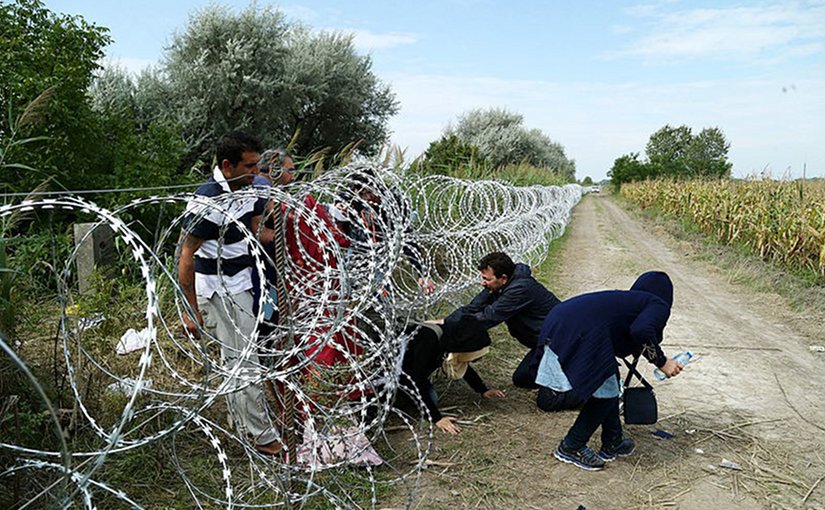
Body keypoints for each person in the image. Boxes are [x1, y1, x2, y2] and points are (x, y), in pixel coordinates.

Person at [178, 131, 281, 456]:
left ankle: (244, 424)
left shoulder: (247, 189)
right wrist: (191, 310)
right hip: (218, 291)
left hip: (244, 283)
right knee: (244, 362)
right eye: (250, 166)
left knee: (241, 360)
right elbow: (186, 255)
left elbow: (255, 230)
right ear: (227, 165)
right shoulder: (207, 200)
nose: (256, 173)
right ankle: (262, 437)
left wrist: (294, 222)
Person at [533, 271, 685, 471]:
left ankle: (613, 441)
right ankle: (571, 446)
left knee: (609, 381)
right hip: (579, 331)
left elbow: (625, 339)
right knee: (605, 392)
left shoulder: (631, 302)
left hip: (561, 321)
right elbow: (641, 331)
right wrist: (662, 362)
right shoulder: (658, 304)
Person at [441, 252, 580, 409]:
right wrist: (446, 323)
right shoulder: (499, 287)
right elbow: (473, 308)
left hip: (561, 342)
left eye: (487, 279)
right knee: (522, 379)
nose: (483, 283)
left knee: (548, 402)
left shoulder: (519, 290)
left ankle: (590, 389)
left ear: (504, 278)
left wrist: (450, 327)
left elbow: (488, 317)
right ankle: (563, 373)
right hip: (543, 343)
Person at [401, 316, 505, 435]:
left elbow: (462, 365)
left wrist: (482, 390)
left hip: (412, 372)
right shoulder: (429, 338)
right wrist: (437, 418)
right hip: (399, 374)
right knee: (431, 398)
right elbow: (416, 378)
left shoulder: (451, 339)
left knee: (430, 398)